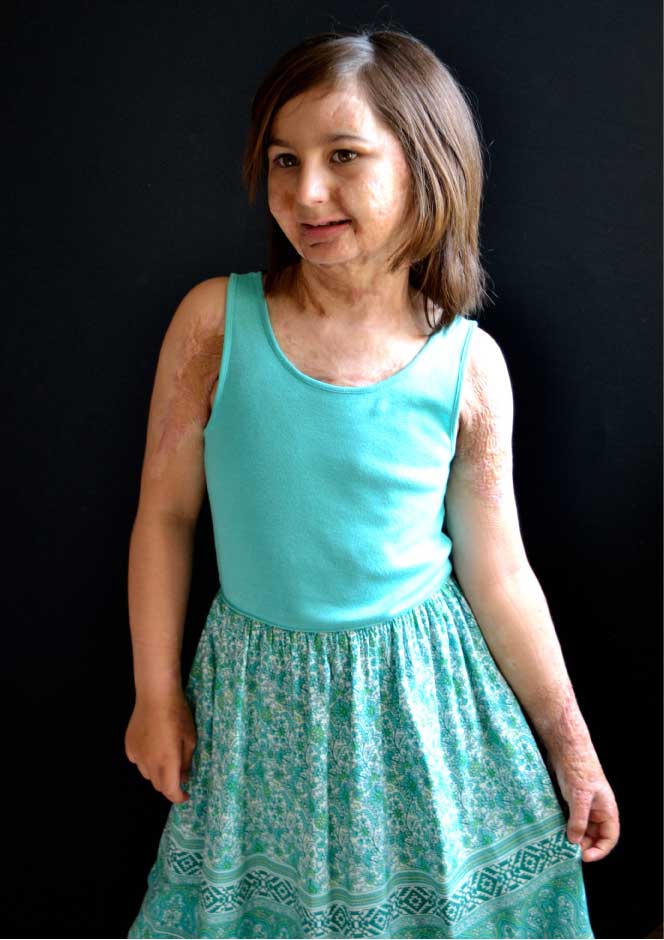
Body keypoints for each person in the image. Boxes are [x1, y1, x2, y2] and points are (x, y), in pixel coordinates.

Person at [125, 27, 619, 939]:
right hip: (260, 704)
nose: (306, 192)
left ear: (426, 166)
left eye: (344, 156)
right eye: (285, 160)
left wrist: (574, 751)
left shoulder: (469, 367)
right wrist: (156, 694)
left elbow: (500, 571)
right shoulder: (214, 323)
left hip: (425, 705)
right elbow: (165, 515)